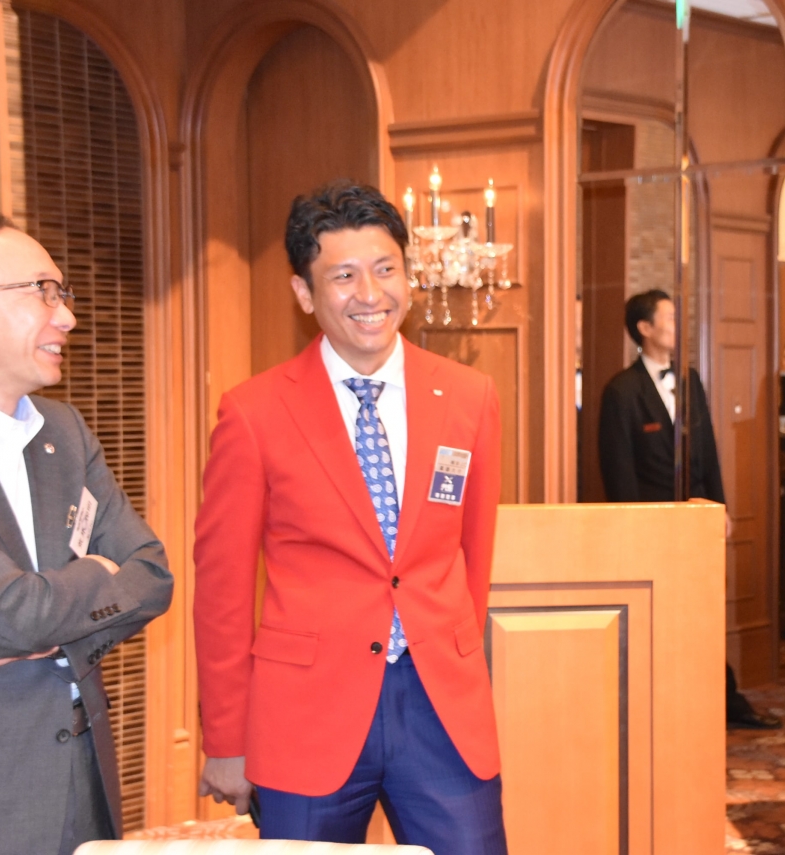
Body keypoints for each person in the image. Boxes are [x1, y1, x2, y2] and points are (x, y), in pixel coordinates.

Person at [193, 182, 506, 853]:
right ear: (305, 294)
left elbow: (474, 555)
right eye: (343, 276)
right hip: (306, 715)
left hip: (442, 709)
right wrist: (226, 738)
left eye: (386, 268)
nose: (370, 293)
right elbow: (221, 589)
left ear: (408, 277)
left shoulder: (470, 397)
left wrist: (449, 650)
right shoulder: (253, 413)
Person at [0, 212, 174, 855]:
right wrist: (97, 576)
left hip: (84, 778)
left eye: (62, 293)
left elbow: (152, 573)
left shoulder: (63, 431)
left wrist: (46, 625)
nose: (66, 317)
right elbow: (2, 616)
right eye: (41, 292)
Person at [599, 289, 779, 730]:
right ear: (645, 328)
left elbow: (708, 450)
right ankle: (664, 702)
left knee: (704, 612)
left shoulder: (690, 379)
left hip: (698, 522)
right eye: (670, 318)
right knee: (660, 617)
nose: (678, 326)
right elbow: (618, 469)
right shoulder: (621, 391)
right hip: (651, 527)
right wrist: (634, 529)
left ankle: (721, 701)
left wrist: (720, 507)